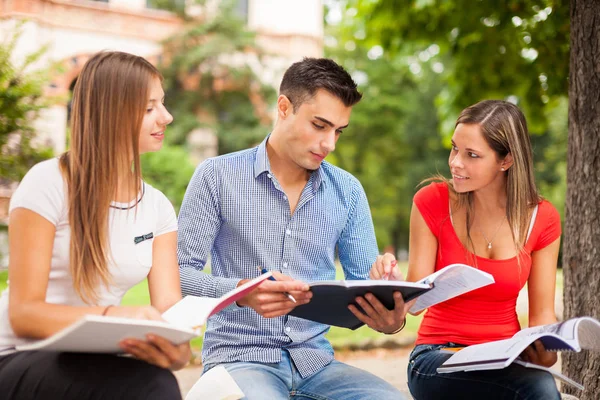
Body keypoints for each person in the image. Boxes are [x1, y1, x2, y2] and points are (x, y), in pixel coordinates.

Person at [177, 57, 408, 399]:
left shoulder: (348, 190)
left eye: (338, 131)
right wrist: (242, 292)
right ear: (284, 107)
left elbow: (363, 287)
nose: (329, 144)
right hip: (241, 360)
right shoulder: (216, 176)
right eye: (319, 125)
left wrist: (391, 316)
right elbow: (178, 275)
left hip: (317, 364)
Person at [0, 51, 190, 400]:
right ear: (111, 113)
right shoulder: (48, 182)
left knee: (158, 379)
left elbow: (169, 311)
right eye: (150, 108)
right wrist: (119, 316)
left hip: (92, 357)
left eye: (162, 104)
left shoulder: (158, 207)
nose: (167, 117)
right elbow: (24, 314)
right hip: (16, 355)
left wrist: (176, 349)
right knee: (151, 387)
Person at [404, 100, 562, 399]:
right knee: (533, 388)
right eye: (455, 149)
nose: (455, 163)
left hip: (505, 357)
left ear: (506, 161)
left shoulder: (543, 218)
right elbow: (414, 303)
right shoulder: (432, 201)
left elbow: (542, 314)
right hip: (437, 357)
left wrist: (546, 351)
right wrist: (391, 286)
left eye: (472, 155)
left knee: (536, 383)